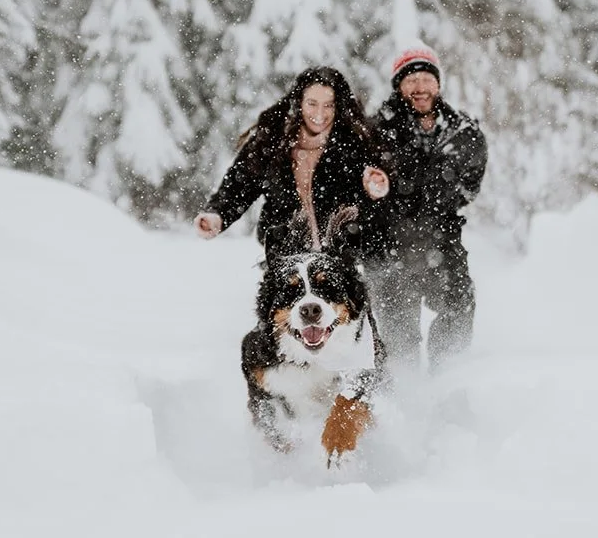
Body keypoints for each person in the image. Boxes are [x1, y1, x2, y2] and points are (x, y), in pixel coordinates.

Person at [366, 44, 487, 371]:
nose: (419, 87)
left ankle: (447, 381)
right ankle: (403, 390)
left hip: (442, 241)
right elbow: (363, 183)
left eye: (426, 79)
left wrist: (442, 200)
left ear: (438, 84)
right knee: (397, 338)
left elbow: (471, 183)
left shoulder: (462, 130)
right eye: (411, 80)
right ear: (398, 86)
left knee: (459, 306)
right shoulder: (376, 131)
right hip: (389, 245)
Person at [196, 67, 390, 265]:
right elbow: (240, 183)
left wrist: (375, 188)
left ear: (337, 106)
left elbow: (375, 195)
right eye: (312, 104)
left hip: (339, 258)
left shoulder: (354, 142)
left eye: (328, 105)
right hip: (286, 255)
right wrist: (218, 215)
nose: (320, 114)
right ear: (299, 102)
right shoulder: (273, 139)